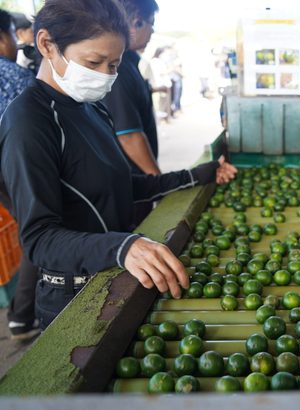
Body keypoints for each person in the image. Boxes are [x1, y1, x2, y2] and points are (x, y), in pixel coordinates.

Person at [0, 0, 237, 330]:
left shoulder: (92, 109)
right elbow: (40, 239)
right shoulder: (29, 121)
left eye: (113, 65)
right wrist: (123, 246)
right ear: (46, 44)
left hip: (115, 277)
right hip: (72, 297)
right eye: (94, 62)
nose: (105, 77)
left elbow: (123, 184)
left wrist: (198, 175)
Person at [103, 0, 161, 227]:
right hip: (131, 186)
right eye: (151, 23)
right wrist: (159, 184)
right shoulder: (119, 69)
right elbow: (129, 135)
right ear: (136, 21)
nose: (153, 30)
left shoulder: (130, 63)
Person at [0, 9, 39, 341]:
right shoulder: (14, 76)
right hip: (12, 169)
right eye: (13, 35)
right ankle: (22, 316)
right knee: (38, 229)